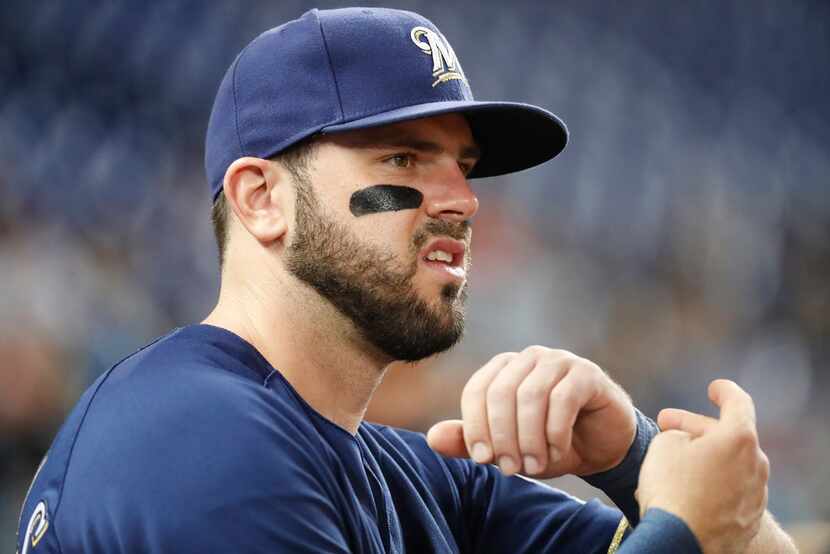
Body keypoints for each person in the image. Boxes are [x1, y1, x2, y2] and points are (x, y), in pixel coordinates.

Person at [17, 7, 796, 553]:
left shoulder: (412, 476)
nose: (463, 200)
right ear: (262, 200)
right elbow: (697, 537)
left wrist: (630, 454)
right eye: (403, 159)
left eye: (462, 166)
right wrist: (681, 532)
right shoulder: (189, 441)